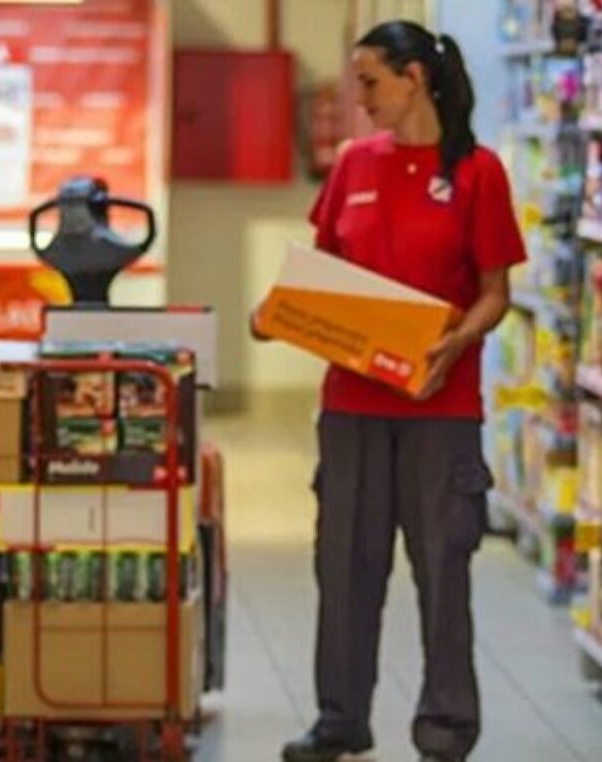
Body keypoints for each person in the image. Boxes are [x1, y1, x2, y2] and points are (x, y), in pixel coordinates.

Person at [252, 20, 526, 762]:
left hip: (442, 408)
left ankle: (445, 729)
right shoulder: (353, 165)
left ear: (415, 79)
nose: (360, 97)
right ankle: (339, 720)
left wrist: (458, 341)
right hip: (351, 408)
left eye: (370, 82)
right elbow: (322, 276)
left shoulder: (477, 172)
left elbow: (496, 291)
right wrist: (279, 313)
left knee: (443, 571)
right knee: (344, 568)